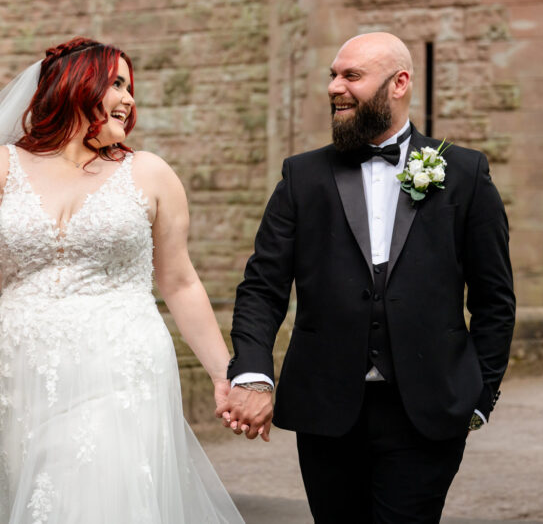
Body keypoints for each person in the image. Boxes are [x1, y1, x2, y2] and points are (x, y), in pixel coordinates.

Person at [0, 37, 243, 523]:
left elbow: (181, 282)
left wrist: (222, 373)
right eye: (118, 84)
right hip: (23, 368)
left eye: (131, 87)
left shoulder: (150, 174)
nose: (130, 99)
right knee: (39, 497)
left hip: (121, 363)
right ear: (76, 85)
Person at [218, 31, 516, 523]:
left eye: (351, 76)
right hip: (326, 410)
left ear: (398, 83)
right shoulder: (302, 176)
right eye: (333, 75)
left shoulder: (464, 173)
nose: (335, 87)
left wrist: (480, 394)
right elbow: (262, 287)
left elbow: (494, 298)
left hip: (429, 409)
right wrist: (252, 372)